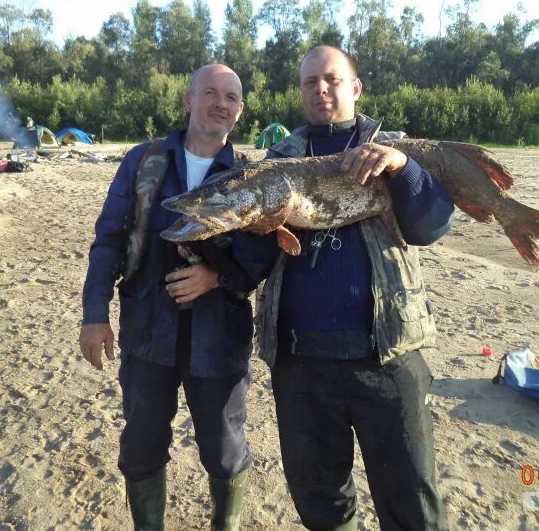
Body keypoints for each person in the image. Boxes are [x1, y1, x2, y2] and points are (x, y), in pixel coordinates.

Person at [255, 46, 455, 530]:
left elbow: (432, 226)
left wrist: (402, 167)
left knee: (412, 505)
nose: (320, 89)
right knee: (322, 504)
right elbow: (256, 259)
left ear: (356, 88)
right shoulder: (279, 159)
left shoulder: (397, 150)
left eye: (331, 79)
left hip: (387, 356)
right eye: (309, 82)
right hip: (301, 365)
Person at [80, 63, 274, 530]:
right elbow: (109, 237)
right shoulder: (143, 162)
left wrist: (217, 278)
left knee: (224, 452)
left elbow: (265, 253)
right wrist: (94, 313)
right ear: (188, 100)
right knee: (142, 446)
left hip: (219, 339)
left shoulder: (251, 176)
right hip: (147, 334)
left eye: (229, 97)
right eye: (209, 93)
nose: (219, 104)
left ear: (240, 110)